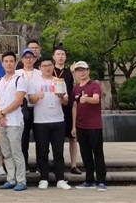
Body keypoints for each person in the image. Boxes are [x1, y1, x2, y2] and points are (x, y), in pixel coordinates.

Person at [28, 57, 71, 190]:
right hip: (40, 121)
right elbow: (30, 100)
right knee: (42, 151)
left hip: (58, 120)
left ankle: (60, 179)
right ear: (39, 68)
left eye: (49, 65)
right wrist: (37, 96)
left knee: (58, 151)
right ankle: (44, 178)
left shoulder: (59, 81)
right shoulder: (34, 81)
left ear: (53, 66)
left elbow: (66, 101)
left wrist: (61, 97)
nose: (47, 68)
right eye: (44, 66)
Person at [0, 51, 27, 191]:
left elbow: (18, 101)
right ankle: (11, 179)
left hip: (14, 122)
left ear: (15, 63)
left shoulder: (20, 80)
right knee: (6, 152)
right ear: (2, 64)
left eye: (11, 61)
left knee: (16, 152)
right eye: (6, 61)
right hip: (1, 122)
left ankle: (21, 180)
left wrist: (2, 113)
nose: (8, 64)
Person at [72, 61, 107, 192]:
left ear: (88, 71)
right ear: (76, 73)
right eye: (78, 70)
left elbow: (96, 99)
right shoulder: (76, 88)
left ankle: (101, 181)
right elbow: (74, 107)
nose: (81, 72)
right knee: (85, 154)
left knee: (97, 153)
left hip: (94, 126)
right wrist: (74, 126)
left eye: (84, 70)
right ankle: (89, 180)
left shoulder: (94, 85)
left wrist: (86, 99)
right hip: (81, 126)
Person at [53, 46, 80, 174]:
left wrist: (74, 72)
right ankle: (56, 163)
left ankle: (73, 164)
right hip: (52, 107)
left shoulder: (70, 72)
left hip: (68, 107)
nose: (60, 56)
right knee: (54, 138)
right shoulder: (49, 71)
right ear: (54, 57)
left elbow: (78, 85)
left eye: (62, 54)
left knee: (72, 137)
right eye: (58, 54)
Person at [16, 48, 40, 169]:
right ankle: (23, 165)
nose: (28, 60)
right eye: (26, 57)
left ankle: (40, 165)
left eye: (31, 57)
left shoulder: (40, 73)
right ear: (22, 59)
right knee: (23, 138)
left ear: (35, 59)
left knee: (40, 138)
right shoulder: (17, 73)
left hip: (38, 109)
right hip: (22, 109)